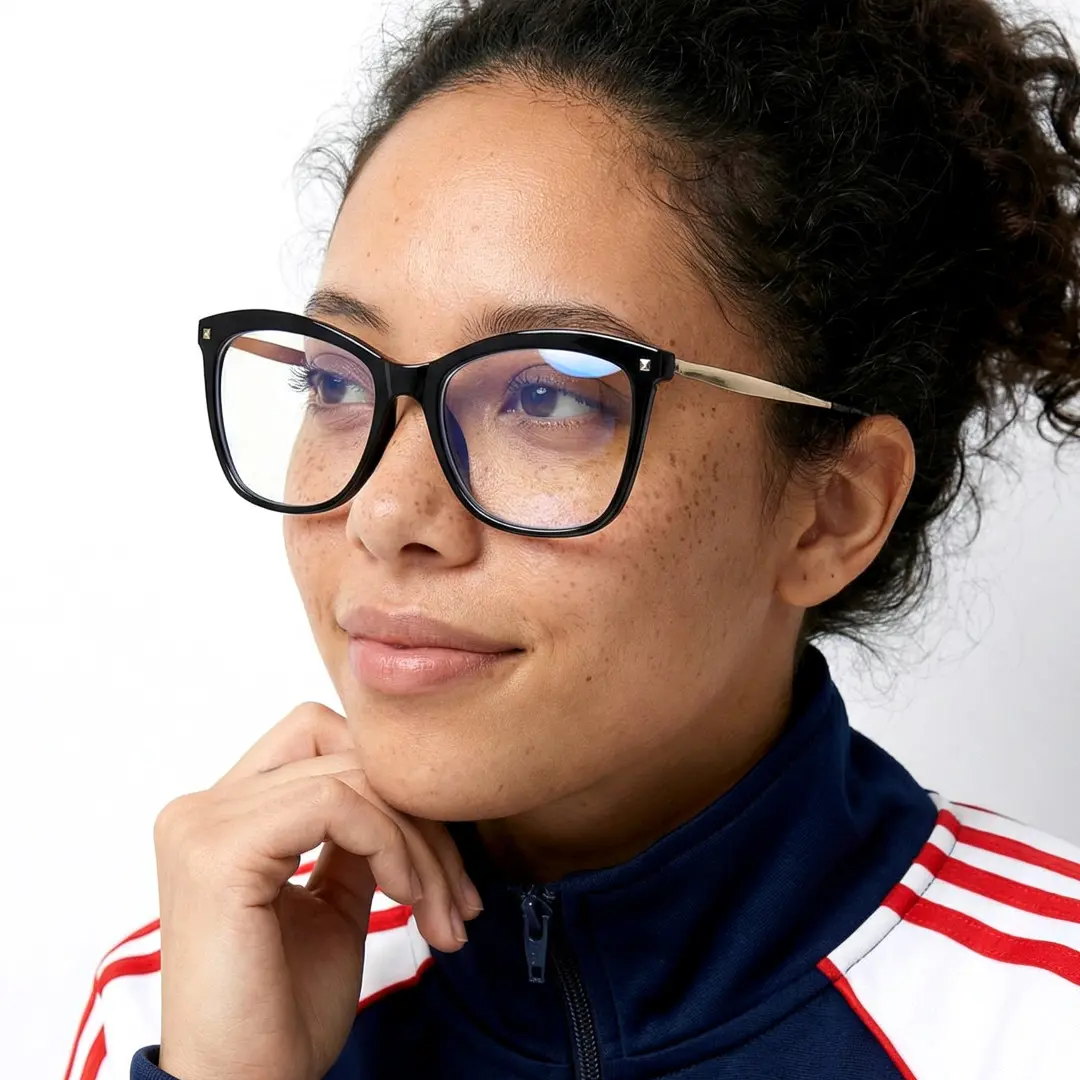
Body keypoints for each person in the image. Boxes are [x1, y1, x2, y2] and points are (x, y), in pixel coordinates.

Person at [65, 0, 1080, 1077]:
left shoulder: (1044, 1017)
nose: (388, 514)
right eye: (336, 380)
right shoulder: (177, 1010)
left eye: (549, 397)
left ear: (833, 510)